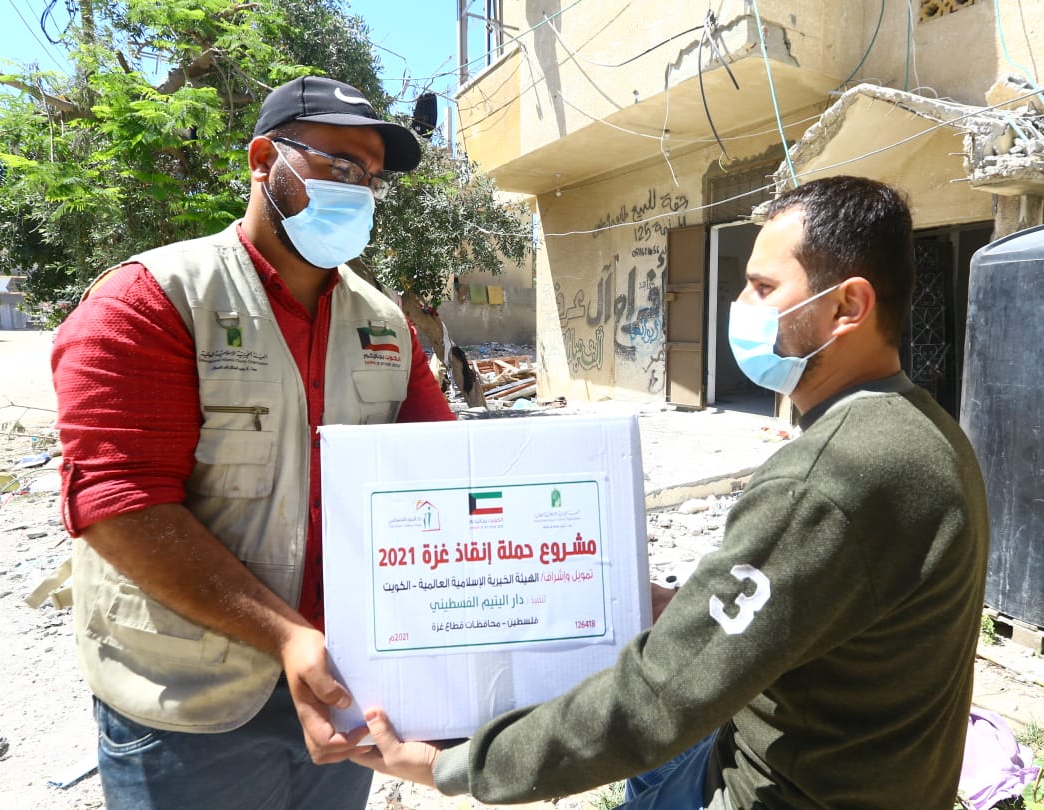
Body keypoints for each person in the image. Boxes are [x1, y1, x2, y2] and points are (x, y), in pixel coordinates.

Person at [348, 175, 991, 809]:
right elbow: (831, 606)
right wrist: (692, 607)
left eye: (764, 287)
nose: (741, 304)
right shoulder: (928, 430)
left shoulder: (825, 477)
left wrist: (456, 765)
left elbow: (654, 702)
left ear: (847, 307)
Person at [51, 76, 454, 809]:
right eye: (339, 164)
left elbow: (444, 475)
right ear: (264, 159)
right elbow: (118, 505)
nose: (359, 190)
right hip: (190, 703)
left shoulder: (385, 325)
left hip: (342, 683)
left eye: (371, 177)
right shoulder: (153, 299)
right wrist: (286, 635)